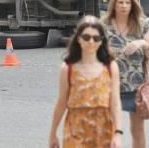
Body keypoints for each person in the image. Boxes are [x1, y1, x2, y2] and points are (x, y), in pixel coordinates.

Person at [49, 15, 123, 148]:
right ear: (78, 39)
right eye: (86, 37)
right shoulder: (68, 68)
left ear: (101, 41)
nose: (91, 42)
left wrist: (117, 133)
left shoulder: (110, 67)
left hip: (104, 130)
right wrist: (53, 133)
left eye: (96, 38)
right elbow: (61, 103)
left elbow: (115, 102)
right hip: (75, 131)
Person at [103, 0, 149, 148]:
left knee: (137, 129)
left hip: (136, 85)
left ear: (133, 4)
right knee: (111, 129)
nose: (124, 6)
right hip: (110, 85)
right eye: (120, 2)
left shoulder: (141, 24)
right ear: (114, 4)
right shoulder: (104, 25)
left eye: (127, 2)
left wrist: (142, 43)